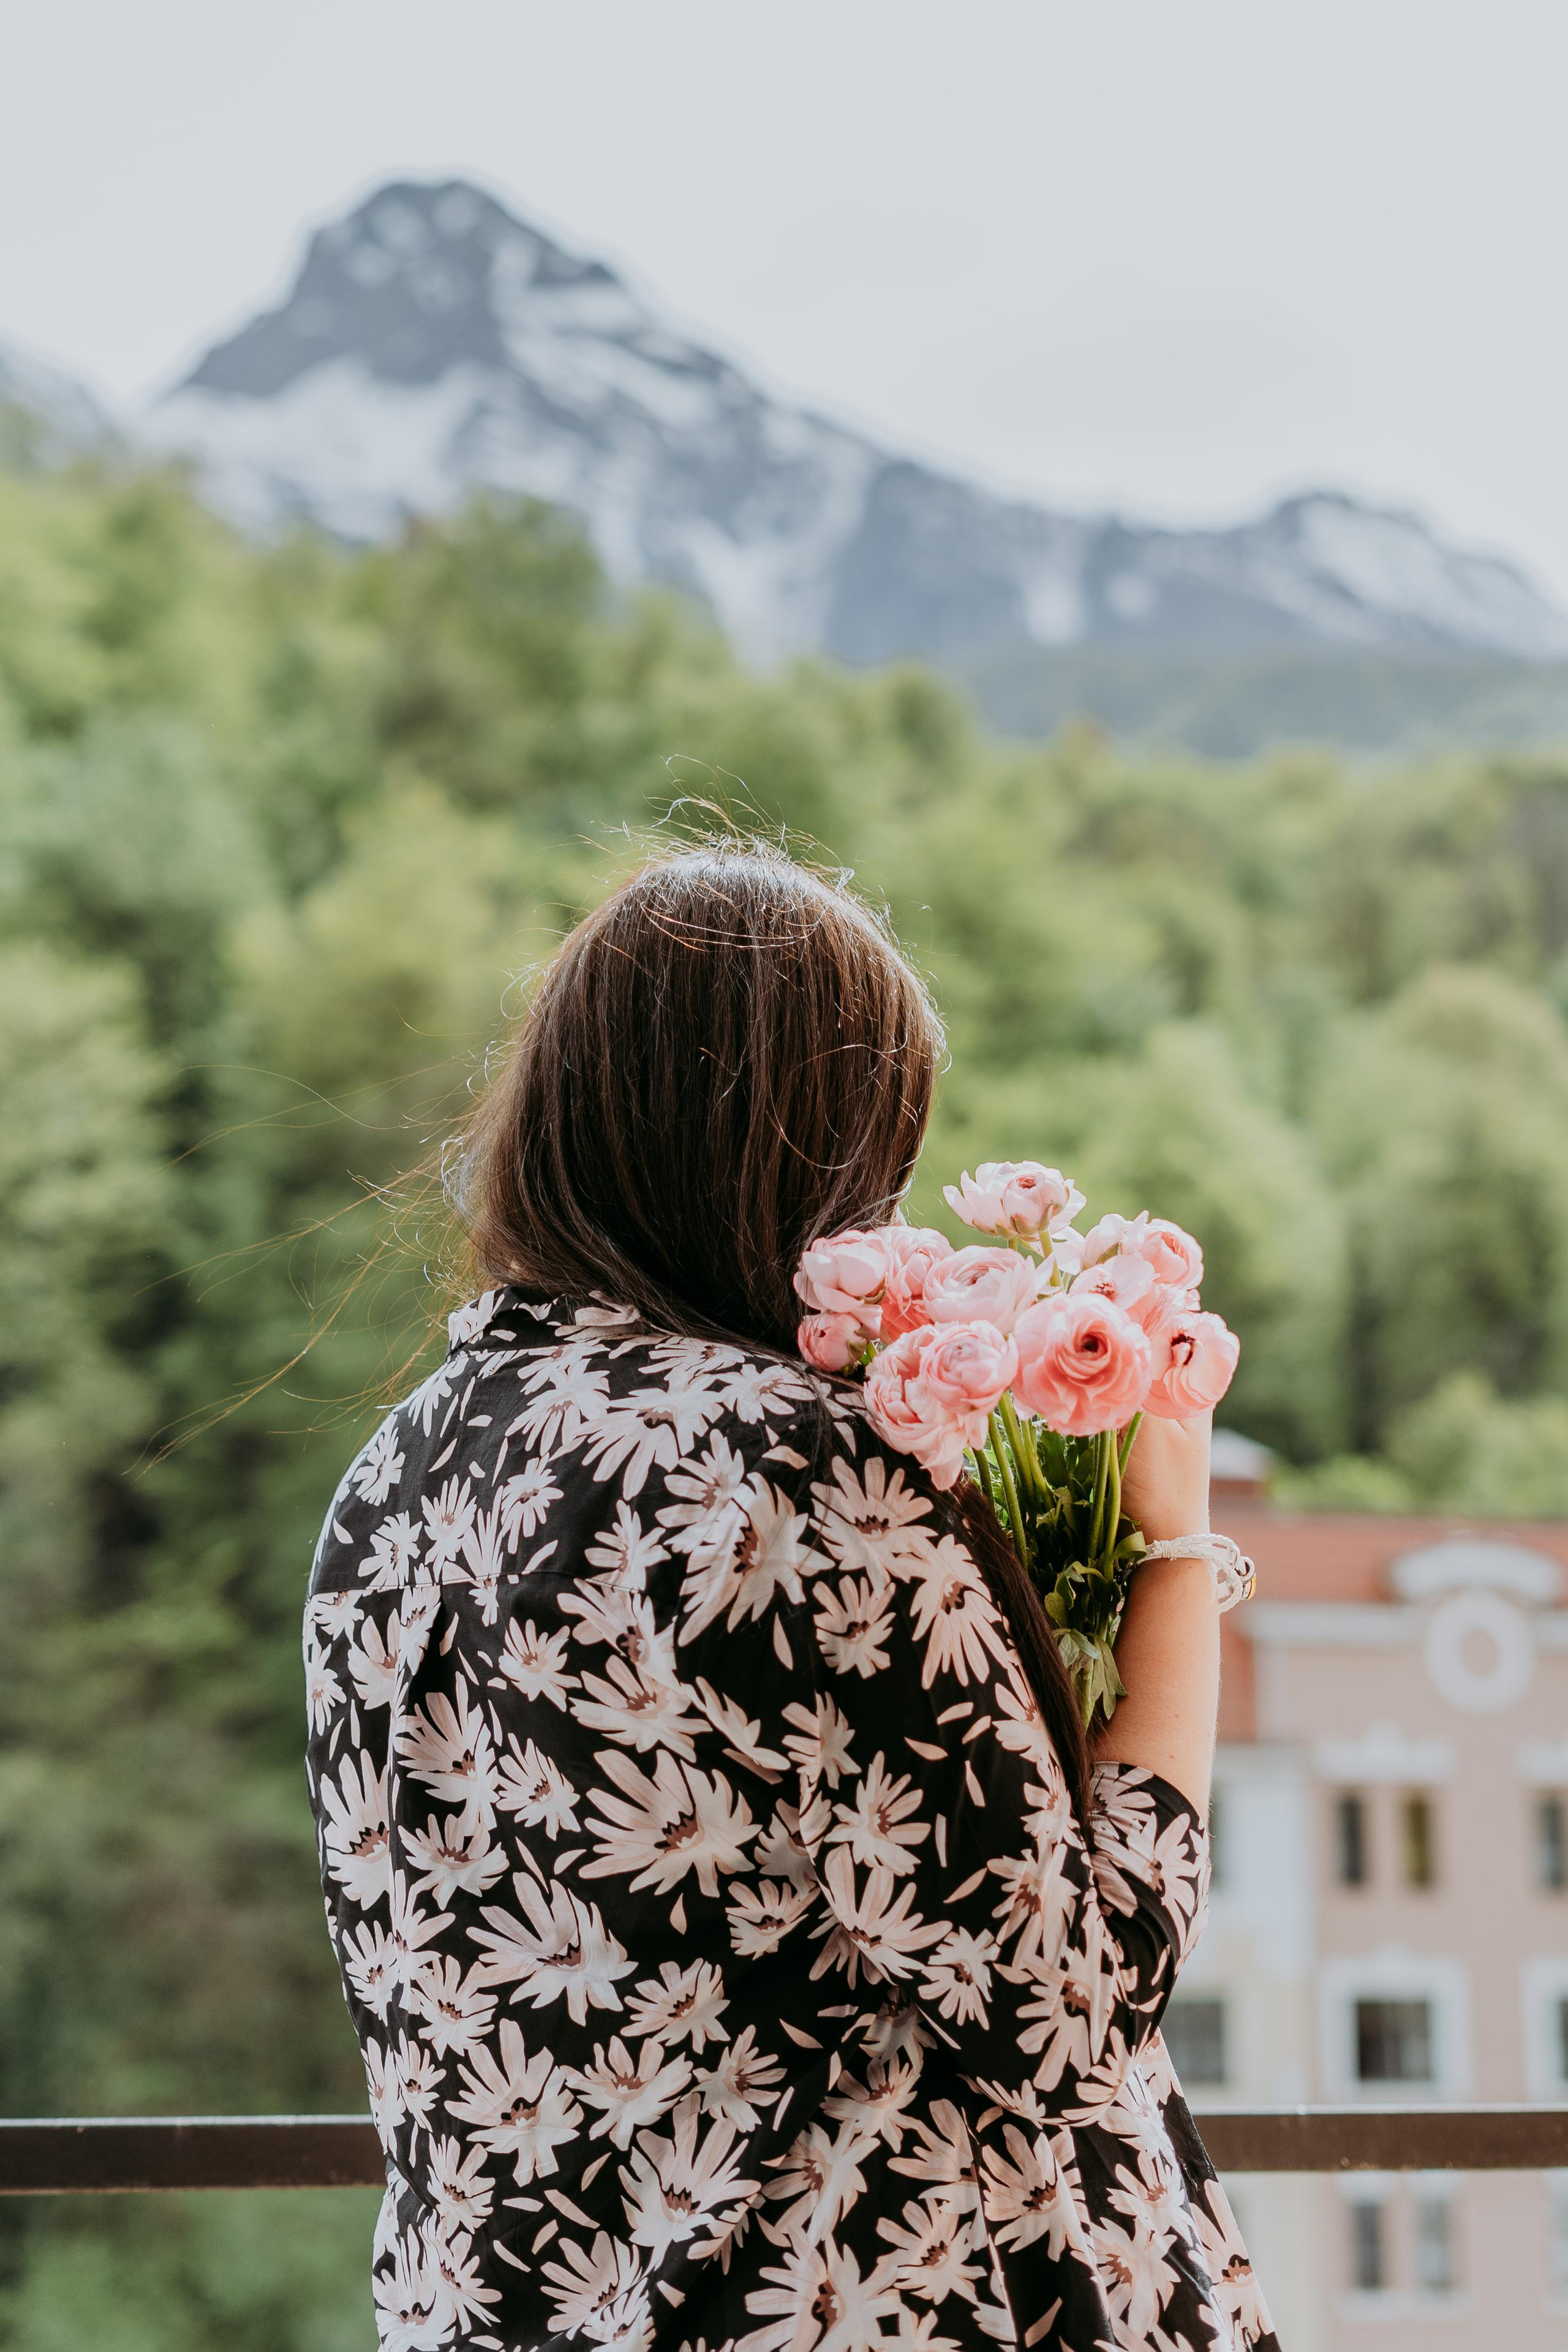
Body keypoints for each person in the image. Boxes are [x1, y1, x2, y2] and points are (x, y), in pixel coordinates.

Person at [303, 843, 1279, 2352]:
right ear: (789, 1153)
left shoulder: (391, 1479)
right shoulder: (778, 1464)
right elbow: (1074, 2000)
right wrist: (1164, 1541)